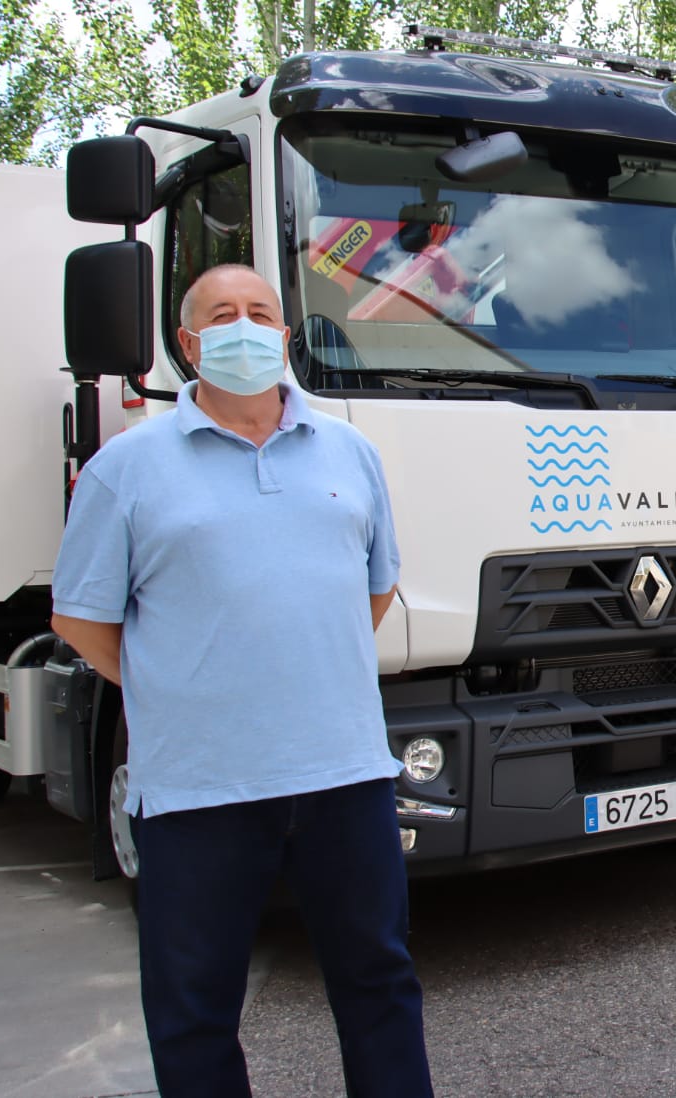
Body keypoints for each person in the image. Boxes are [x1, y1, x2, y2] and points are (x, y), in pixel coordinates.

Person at [50, 264, 433, 1098]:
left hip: (345, 777)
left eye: (261, 312)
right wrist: (186, 681)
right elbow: (81, 620)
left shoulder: (350, 452)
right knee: (194, 1011)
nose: (245, 327)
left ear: (285, 336)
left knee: (379, 985)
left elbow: (373, 591)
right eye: (222, 315)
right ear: (189, 345)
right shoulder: (127, 467)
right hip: (198, 791)